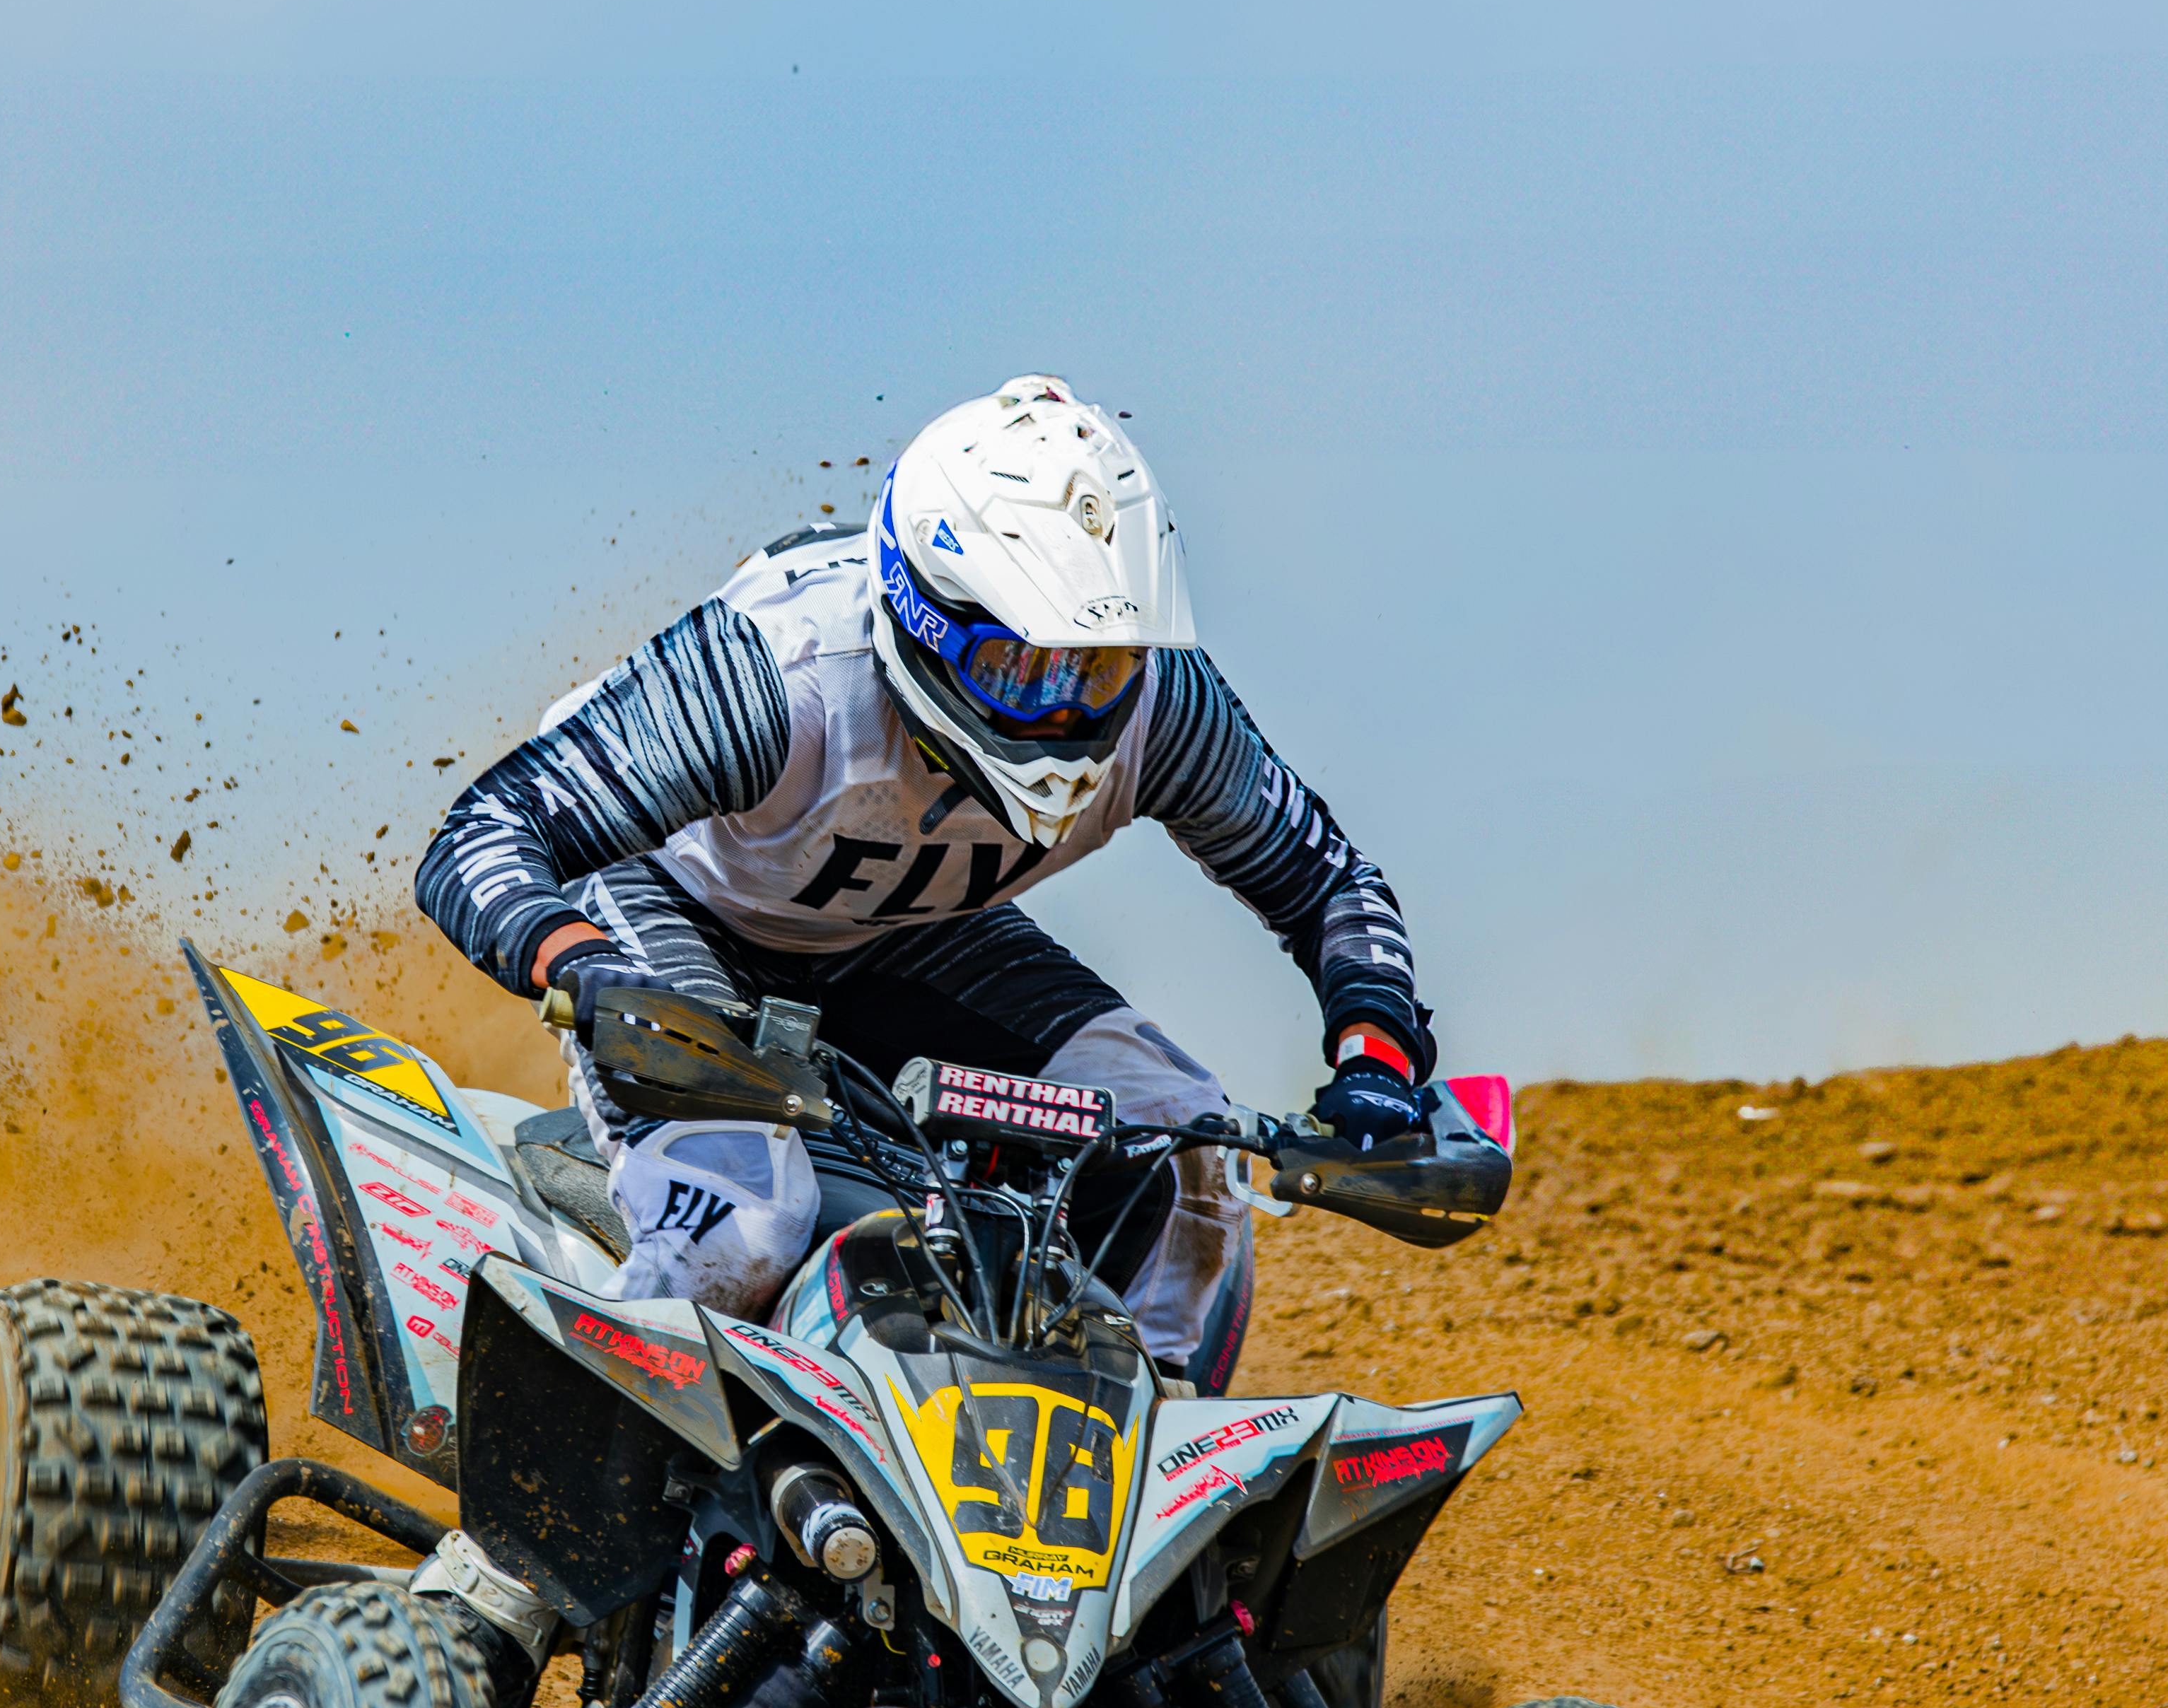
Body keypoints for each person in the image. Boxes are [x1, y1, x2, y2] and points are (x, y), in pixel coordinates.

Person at [415, 373, 1434, 1388]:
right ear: (925, 615)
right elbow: (482, 833)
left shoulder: (1166, 707)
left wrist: (1377, 1062)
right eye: (1021, 671)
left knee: (1183, 1155)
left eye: (1101, 669)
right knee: (744, 1223)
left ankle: (1143, 1484)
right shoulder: (786, 673)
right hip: (675, 901)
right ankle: (581, 1498)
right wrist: (583, 967)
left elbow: (1328, 882)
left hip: (911, 929)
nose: (1064, 713)